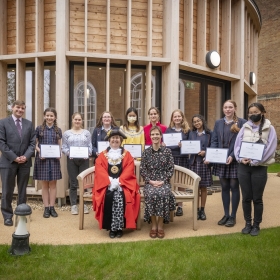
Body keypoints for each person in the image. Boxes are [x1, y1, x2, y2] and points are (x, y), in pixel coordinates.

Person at [234, 103, 277, 236]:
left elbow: (271, 148)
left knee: (257, 198)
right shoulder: (244, 128)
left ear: (263, 112)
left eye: (256, 112)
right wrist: (240, 159)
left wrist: (256, 161)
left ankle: (256, 225)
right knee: (246, 197)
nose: (253, 114)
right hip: (243, 167)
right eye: (250, 112)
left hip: (259, 168)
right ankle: (248, 223)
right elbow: (237, 145)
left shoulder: (270, 129)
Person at [93, 129, 140, 238]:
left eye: (117, 138)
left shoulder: (127, 155)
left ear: (121, 140)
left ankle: (119, 227)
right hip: (106, 184)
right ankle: (111, 228)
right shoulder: (102, 155)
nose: (115, 140)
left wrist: (118, 182)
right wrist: (109, 181)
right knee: (109, 196)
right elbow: (99, 170)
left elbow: (129, 169)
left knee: (119, 197)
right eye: (113, 138)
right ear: (109, 140)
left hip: (123, 184)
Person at [209, 100, 247, 227]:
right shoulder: (218, 123)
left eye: (230, 107)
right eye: (225, 107)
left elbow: (242, 143)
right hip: (221, 160)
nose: (228, 109)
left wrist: (232, 156)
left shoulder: (242, 123)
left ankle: (233, 216)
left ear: (235, 108)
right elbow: (214, 140)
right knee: (224, 187)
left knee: (234, 187)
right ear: (222, 109)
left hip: (234, 160)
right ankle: (226, 214)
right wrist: (212, 155)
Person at [0, 100, 36, 226]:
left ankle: (21, 214)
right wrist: (15, 157)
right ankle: (7, 216)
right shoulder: (3, 123)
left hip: (24, 164)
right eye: (18, 108)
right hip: (8, 163)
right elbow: (2, 143)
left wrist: (25, 157)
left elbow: (32, 143)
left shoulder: (29, 124)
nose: (20, 110)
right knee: (7, 190)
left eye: (22, 108)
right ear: (12, 107)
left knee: (22, 190)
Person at [140, 126, 175, 239]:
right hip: (150, 181)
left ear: (161, 136)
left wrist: (163, 181)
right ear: (150, 137)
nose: (155, 136)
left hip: (163, 181)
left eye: (157, 134)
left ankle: (161, 225)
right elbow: (142, 169)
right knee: (151, 194)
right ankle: (153, 225)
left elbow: (170, 169)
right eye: (153, 134)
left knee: (163, 193)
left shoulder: (167, 151)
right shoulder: (146, 152)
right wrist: (150, 181)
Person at [33, 108, 62, 218]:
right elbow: (35, 144)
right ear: (44, 116)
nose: (49, 118)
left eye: (52, 116)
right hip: (42, 159)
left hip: (54, 160)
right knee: (45, 184)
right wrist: (40, 151)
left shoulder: (58, 130)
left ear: (55, 117)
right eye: (47, 115)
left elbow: (60, 144)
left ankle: (52, 207)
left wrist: (59, 153)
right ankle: (46, 208)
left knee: (53, 184)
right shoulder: (39, 129)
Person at [62, 112, 92, 215]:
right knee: (73, 182)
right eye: (76, 119)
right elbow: (64, 147)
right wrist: (69, 153)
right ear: (72, 120)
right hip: (71, 160)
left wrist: (88, 153)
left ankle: (83, 204)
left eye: (79, 120)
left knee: (84, 182)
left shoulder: (86, 133)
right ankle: (74, 205)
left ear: (82, 121)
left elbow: (90, 146)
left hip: (84, 159)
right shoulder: (67, 133)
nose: (77, 121)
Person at [164, 109, 190, 216]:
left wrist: (184, 144)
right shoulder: (168, 131)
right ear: (172, 119)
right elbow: (164, 143)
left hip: (182, 158)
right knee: (170, 181)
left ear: (182, 117)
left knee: (181, 182)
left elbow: (190, 145)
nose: (177, 118)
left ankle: (180, 206)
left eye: (179, 116)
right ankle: (171, 204)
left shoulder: (187, 131)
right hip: (170, 158)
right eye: (175, 117)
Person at [188, 114, 212, 221]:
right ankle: (196, 210)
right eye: (194, 122)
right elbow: (187, 145)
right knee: (196, 187)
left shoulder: (209, 134)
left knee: (203, 187)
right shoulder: (191, 134)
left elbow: (213, 147)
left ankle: (202, 210)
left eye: (198, 121)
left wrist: (205, 152)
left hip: (204, 163)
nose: (197, 123)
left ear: (202, 121)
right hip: (194, 163)